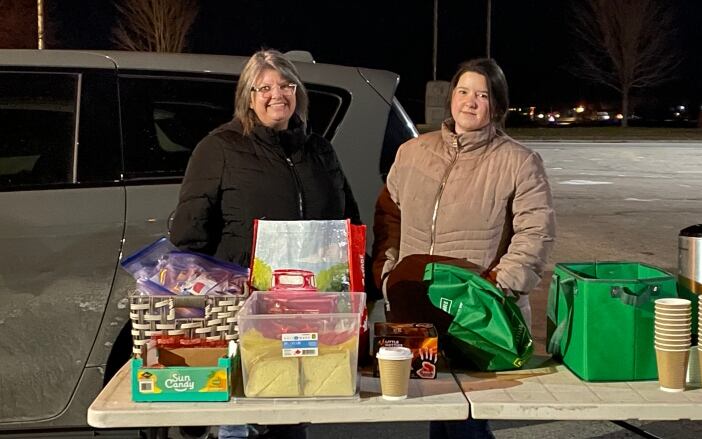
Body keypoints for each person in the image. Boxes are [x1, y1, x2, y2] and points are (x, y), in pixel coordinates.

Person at [171, 49, 360, 439]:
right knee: (241, 413)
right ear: (248, 96)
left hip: (308, 309)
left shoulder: (319, 150)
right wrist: (217, 287)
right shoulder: (220, 148)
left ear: (298, 93)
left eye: (287, 85)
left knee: (293, 410)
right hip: (245, 308)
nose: (278, 94)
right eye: (266, 87)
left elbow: (349, 220)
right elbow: (189, 232)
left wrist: (354, 280)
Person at [372, 58, 556, 439]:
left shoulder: (519, 161)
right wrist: (388, 275)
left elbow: (535, 233)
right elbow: (389, 218)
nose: (470, 102)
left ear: (498, 106)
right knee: (435, 404)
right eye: (463, 92)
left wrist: (495, 289)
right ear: (451, 98)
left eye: (482, 95)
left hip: (475, 312)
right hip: (417, 307)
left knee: (467, 417)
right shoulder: (413, 152)